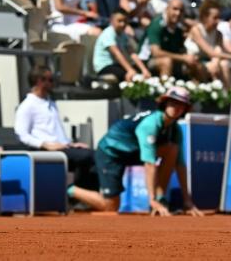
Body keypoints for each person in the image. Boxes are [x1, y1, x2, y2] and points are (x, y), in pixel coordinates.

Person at [75, 86, 203, 215]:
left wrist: (187, 200)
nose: (176, 107)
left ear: (185, 109)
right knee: (111, 206)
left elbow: (180, 165)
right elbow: (149, 163)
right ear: (164, 103)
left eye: (181, 105)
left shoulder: (175, 130)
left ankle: (161, 198)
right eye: (173, 102)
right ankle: (68, 190)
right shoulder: (150, 124)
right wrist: (151, 200)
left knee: (171, 149)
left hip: (133, 152)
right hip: (111, 153)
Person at [13, 65, 96, 204]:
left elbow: (57, 131)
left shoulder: (51, 103)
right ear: (39, 81)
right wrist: (45, 145)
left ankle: (83, 199)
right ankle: (73, 197)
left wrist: (71, 144)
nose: (53, 83)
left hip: (61, 148)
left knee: (93, 154)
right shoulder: (27, 105)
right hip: (43, 150)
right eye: (50, 80)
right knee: (86, 157)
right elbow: (21, 134)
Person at [93, 8, 149, 81]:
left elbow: (132, 53)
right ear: (111, 21)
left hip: (117, 65)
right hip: (104, 67)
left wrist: (144, 69)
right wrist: (130, 70)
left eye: (125, 21)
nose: (122, 24)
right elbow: (117, 54)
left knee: (140, 72)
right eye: (119, 21)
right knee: (129, 75)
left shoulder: (123, 35)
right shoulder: (108, 34)